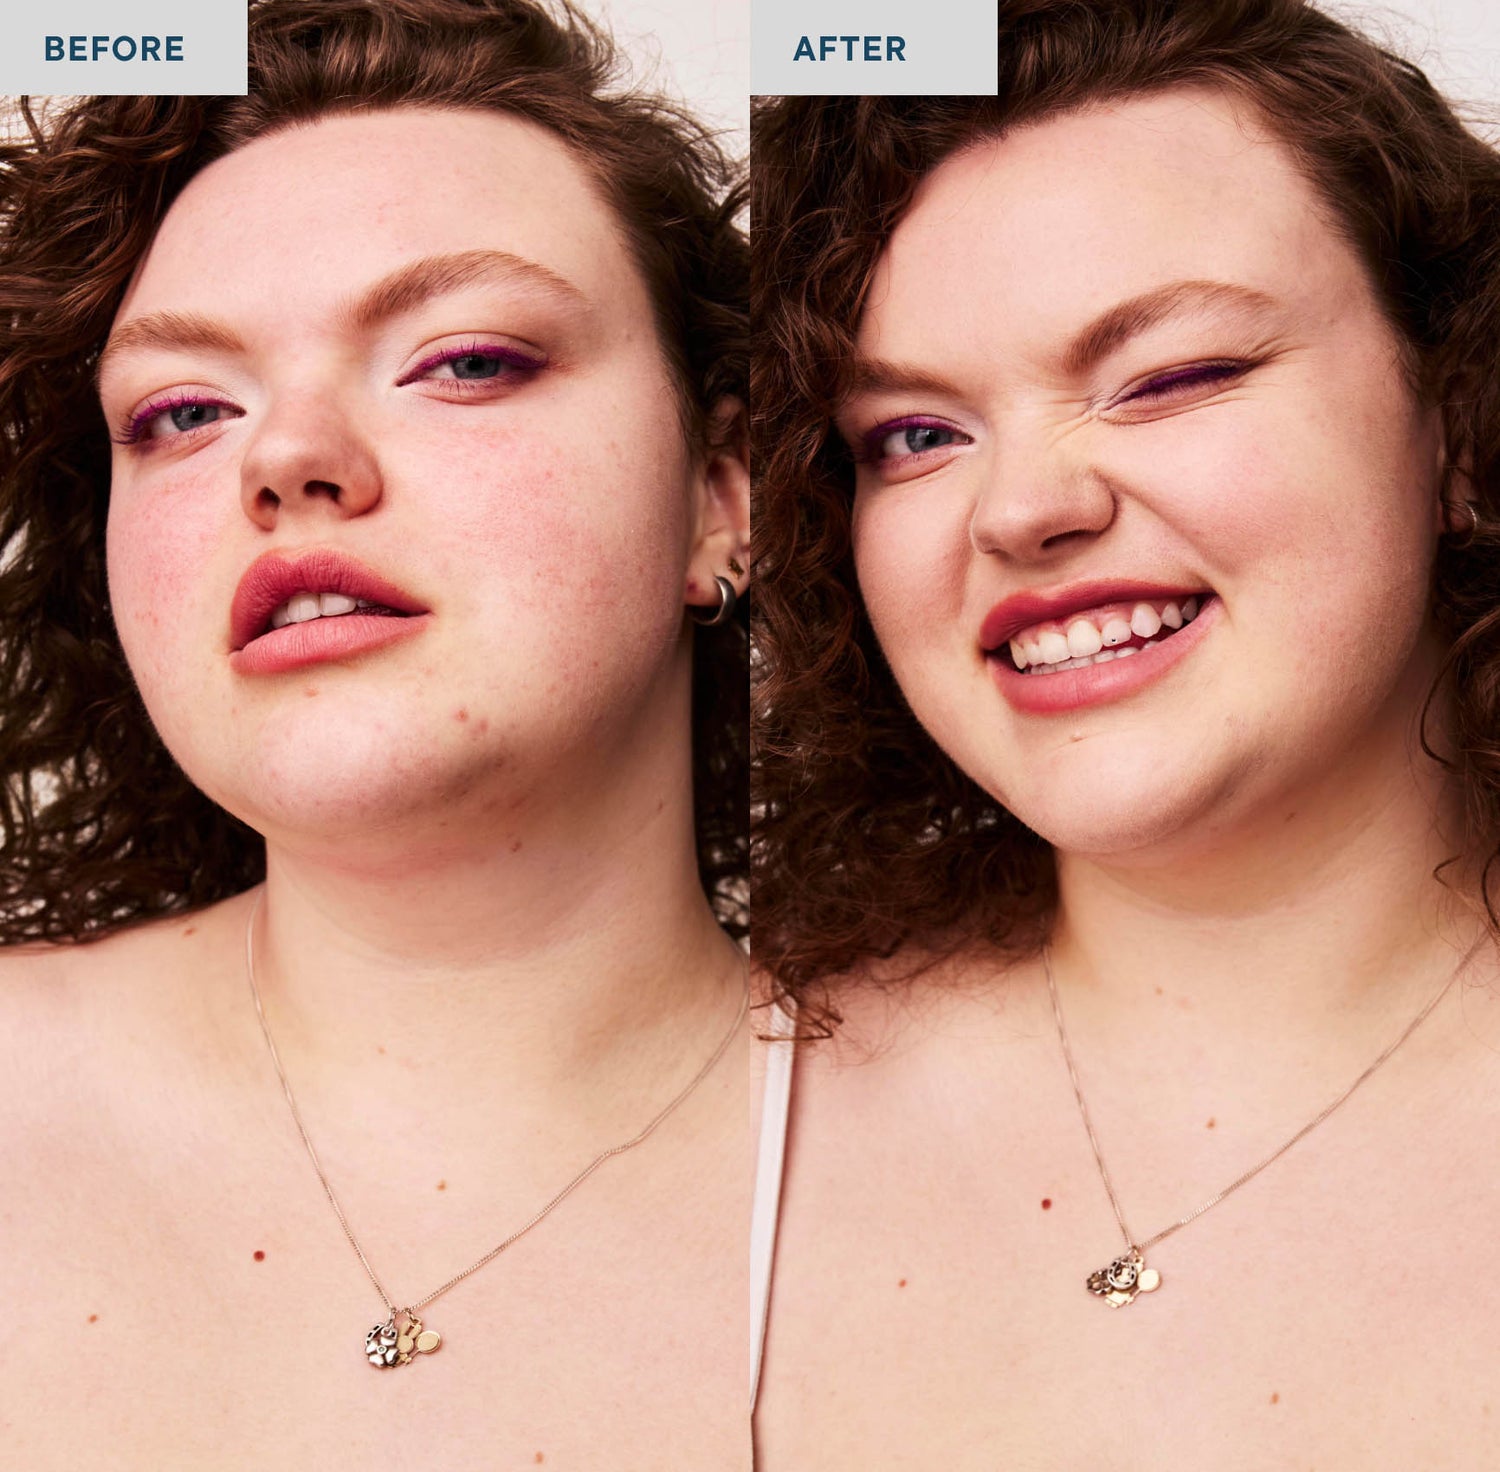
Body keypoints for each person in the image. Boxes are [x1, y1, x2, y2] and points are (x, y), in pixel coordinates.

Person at [0, 1, 751, 1464]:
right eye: (181, 412)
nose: (284, 461)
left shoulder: (999, 1163)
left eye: (462, 361)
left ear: (724, 492)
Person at [750, 1, 1500, 1463]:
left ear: (1460, 429)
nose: (1023, 507)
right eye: (914, 435)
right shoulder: (705, 1104)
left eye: (1172, 378)